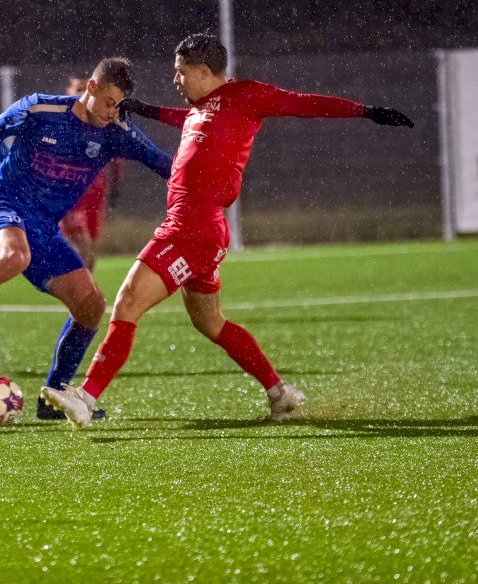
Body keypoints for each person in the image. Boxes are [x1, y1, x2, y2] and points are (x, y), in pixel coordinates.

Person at [41, 33, 415, 428]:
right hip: (202, 229)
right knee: (210, 322)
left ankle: (86, 396)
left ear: (204, 72)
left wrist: (367, 111)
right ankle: (279, 393)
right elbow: (183, 118)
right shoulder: (202, 109)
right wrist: (147, 109)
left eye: (181, 73)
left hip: (191, 228)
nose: (176, 80)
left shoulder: (247, 96)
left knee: (129, 301)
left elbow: (304, 104)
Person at [0, 57, 173, 420]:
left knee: (91, 305)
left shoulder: (117, 132)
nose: (113, 112)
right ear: (90, 88)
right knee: (14, 256)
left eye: (119, 105)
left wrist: (207, 180)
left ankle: (52, 400)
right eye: (109, 102)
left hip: (43, 227)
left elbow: (165, 165)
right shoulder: (40, 108)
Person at [59, 74, 123, 270]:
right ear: (68, 92)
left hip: (95, 190)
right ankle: (81, 290)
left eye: (85, 89)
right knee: (81, 241)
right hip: (70, 190)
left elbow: (115, 157)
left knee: (90, 247)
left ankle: (86, 291)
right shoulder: (61, 122)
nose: (82, 94)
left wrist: (115, 186)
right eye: (78, 89)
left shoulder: (102, 122)